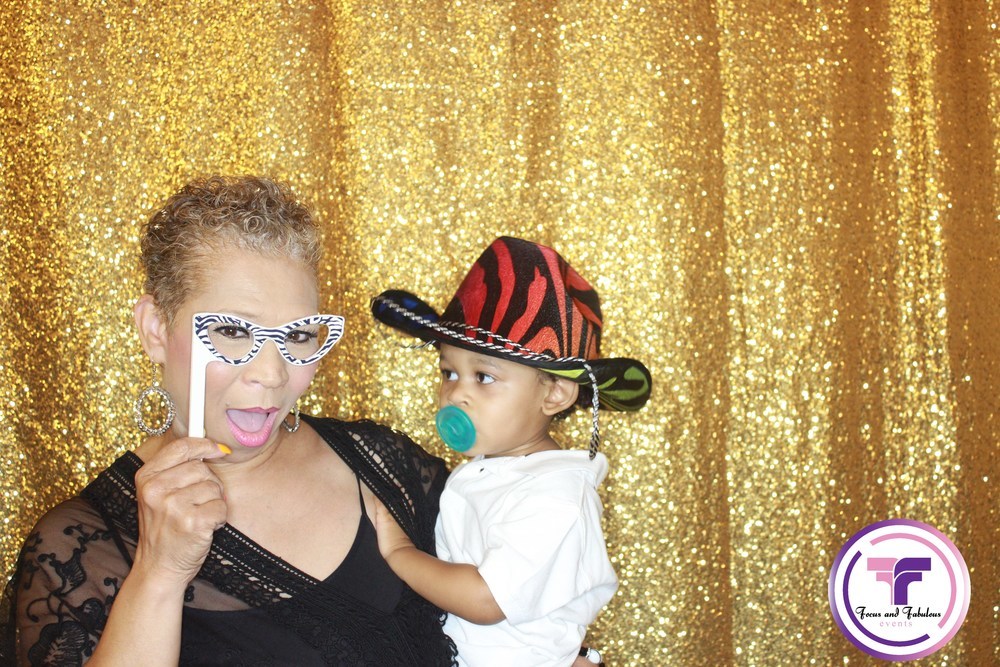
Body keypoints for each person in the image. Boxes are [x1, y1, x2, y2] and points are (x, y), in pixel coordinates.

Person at [0, 176, 459, 665]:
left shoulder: (387, 466)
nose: (272, 374)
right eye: (234, 332)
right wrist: (159, 574)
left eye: (298, 335)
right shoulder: (73, 552)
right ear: (156, 330)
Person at [369, 236, 653, 667]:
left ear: (555, 394)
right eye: (449, 372)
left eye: (483, 377)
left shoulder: (556, 496)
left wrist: (398, 553)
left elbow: (486, 600)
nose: (455, 394)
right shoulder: (494, 469)